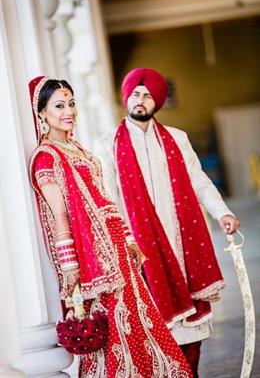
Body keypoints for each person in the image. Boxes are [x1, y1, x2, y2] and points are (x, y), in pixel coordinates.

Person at [29, 76, 192, 377]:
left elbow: (106, 201)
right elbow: (60, 216)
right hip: (95, 263)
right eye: (60, 105)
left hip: (118, 252)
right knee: (113, 335)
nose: (69, 111)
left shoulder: (79, 150)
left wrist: (129, 239)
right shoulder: (46, 158)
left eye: (72, 103)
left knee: (140, 325)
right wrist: (70, 270)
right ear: (42, 113)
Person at [94, 68, 240, 377]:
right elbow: (107, 199)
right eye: (135, 93)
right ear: (126, 97)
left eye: (148, 95)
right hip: (140, 250)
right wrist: (123, 245)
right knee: (157, 326)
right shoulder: (107, 145)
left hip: (182, 242)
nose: (141, 100)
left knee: (193, 326)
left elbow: (199, 181)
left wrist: (222, 212)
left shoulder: (177, 138)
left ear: (157, 102)